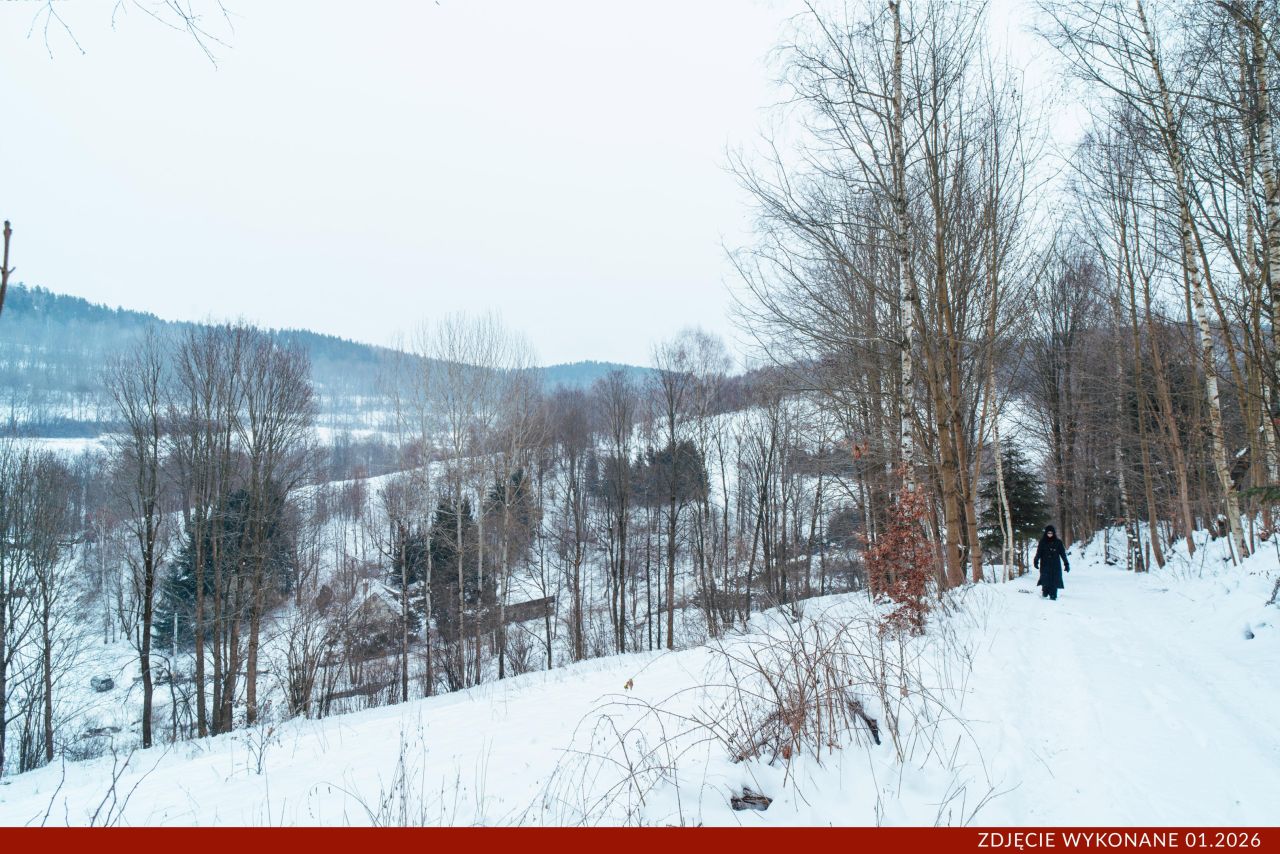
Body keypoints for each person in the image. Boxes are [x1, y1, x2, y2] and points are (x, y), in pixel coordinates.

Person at [1034, 524, 1069, 600]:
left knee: (1054, 581)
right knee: (1045, 580)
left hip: (1055, 565)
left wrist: (1066, 564)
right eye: (1048, 533)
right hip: (1045, 564)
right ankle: (1045, 592)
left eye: (1051, 533)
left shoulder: (1058, 542)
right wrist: (1036, 561)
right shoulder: (1042, 542)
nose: (1050, 534)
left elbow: (1063, 554)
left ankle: (1053, 595)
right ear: (1046, 533)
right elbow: (1038, 553)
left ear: (1053, 533)